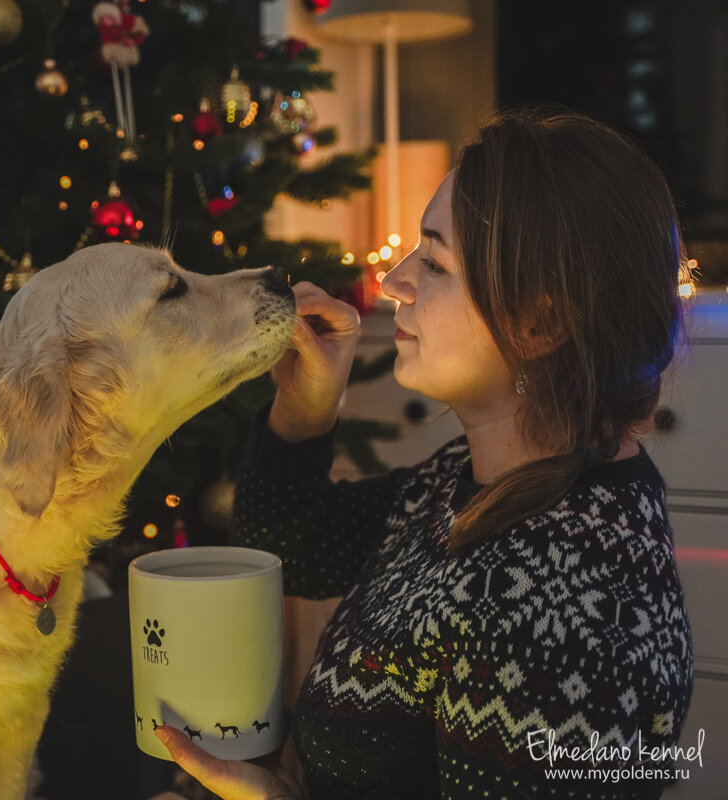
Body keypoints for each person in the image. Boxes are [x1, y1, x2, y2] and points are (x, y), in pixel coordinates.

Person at [155, 110, 695, 799]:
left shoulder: (561, 615)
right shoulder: (478, 483)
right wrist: (306, 406)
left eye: (435, 262)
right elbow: (289, 547)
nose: (394, 282)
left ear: (541, 322)